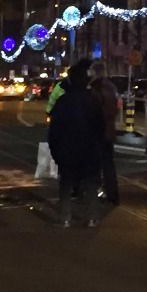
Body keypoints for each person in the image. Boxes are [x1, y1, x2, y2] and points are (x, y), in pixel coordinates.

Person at [48, 63, 105, 227]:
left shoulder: (63, 101)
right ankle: (92, 217)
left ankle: (65, 217)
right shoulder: (93, 100)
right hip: (89, 149)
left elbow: (55, 130)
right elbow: (100, 126)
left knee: (66, 184)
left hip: (68, 149)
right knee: (90, 183)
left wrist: (56, 151)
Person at [89, 62, 120, 206]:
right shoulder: (112, 87)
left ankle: (96, 192)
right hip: (109, 130)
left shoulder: (94, 88)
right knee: (109, 164)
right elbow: (116, 108)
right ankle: (112, 194)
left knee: (94, 164)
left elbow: (92, 111)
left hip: (96, 131)